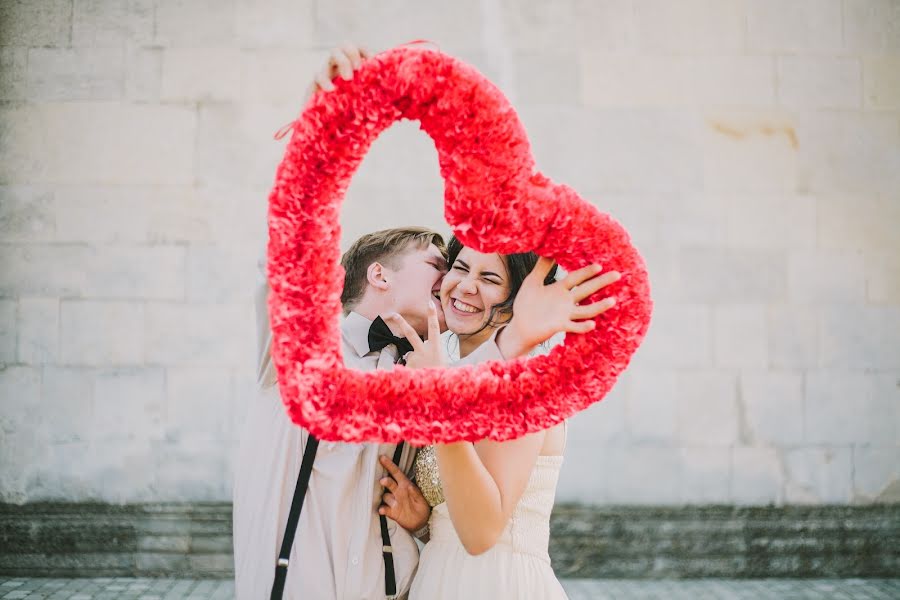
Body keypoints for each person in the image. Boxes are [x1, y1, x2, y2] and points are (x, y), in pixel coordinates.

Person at [381, 236, 619, 599]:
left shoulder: (522, 385)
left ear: (520, 300)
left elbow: (482, 535)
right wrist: (424, 522)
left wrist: (439, 400)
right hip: (441, 576)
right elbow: (465, 517)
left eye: (490, 279)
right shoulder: (461, 374)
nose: (467, 286)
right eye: (460, 268)